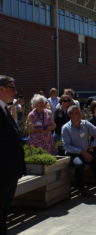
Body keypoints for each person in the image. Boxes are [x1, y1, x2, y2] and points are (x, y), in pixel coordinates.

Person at [0, 75, 26, 235]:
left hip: (10, 171)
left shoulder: (5, 109)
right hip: (2, 171)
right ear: (1, 89)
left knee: (4, 209)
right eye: (12, 88)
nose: (15, 92)